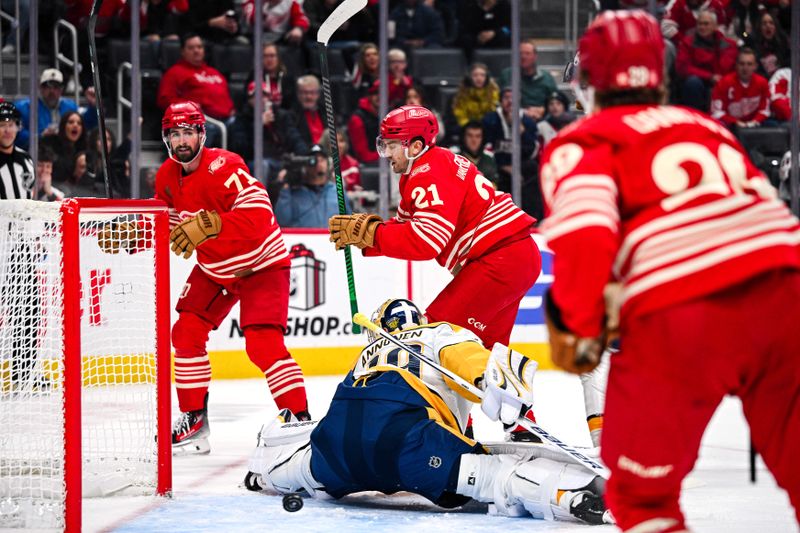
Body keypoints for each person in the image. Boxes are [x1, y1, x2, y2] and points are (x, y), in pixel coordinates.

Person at [541, 10, 800, 532]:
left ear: (588, 81)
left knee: (641, 495)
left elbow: (588, 235)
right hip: (786, 298)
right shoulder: (709, 128)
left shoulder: (581, 143)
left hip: (683, 314)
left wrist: (575, 322)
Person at [245, 298, 610, 526]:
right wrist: (500, 385)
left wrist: (266, 472)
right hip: (409, 446)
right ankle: (571, 495)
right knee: (494, 474)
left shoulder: (366, 355)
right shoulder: (439, 332)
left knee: (303, 465)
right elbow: (472, 361)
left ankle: (265, 475)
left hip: (336, 450)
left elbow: (348, 415)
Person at [99, 101, 310, 454]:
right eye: (174, 134)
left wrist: (212, 224)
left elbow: (260, 217)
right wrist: (135, 235)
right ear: (166, 139)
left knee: (262, 345)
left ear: (201, 133)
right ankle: (194, 421)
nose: (181, 140)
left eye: (187, 132)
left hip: (263, 265)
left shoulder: (225, 165)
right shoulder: (166, 175)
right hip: (215, 270)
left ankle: (299, 420)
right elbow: (166, 224)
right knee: (185, 333)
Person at [330, 104, 540, 353]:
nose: (386, 153)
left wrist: (372, 234)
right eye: (383, 144)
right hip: (513, 257)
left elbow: (427, 240)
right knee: (483, 356)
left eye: (392, 145)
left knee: (434, 342)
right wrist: (365, 239)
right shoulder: (427, 167)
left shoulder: (428, 173)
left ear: (416, 146)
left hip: (498, 261)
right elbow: (406, 227)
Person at [0, 102, 39, 392]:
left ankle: (24, 374)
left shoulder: (25, 160)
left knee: (29, 308)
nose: (7, 129)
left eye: (12, 123)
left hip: (22, 245)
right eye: (2, 124)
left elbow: (29, 199)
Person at [229, 80, 307, 184]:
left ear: (269, 98)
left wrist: (305, 156)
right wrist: (258, 125)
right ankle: (260, 199)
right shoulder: (242, 119)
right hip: (255, 161)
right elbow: (240, 148)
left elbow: (294, 138)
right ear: (249, 99)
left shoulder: (281, 116)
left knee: (305, 162)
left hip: (281, 160)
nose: (260, 99)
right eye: (255, 96)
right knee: (262, 165)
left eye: (264, 95)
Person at [13, 69, 98, 151]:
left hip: (64, 154)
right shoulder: (23, 107)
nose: (52, 91)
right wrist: (40, 136)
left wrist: (93, 106)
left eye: (56, 87)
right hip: (35, 153)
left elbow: (85, 125)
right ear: (41, 88)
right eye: (48, 86)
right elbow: (15, 132)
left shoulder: (71, 106)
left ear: (61, 89)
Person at [675, 10, 737, 112]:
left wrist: (719, 78)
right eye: (700, 24)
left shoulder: (728, 45)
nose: (702, 27)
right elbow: (682, 68)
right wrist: (709, 76)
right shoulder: (687, 42)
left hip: (721, 81)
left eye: (706, 24)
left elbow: (730, 68)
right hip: (699, 82)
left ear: (715, 26)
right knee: (693, 82)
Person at [274, 145, 350, 228]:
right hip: (303, 239)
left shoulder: (338, 191)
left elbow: (349, 222)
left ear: (328, 164)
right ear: (305, 165)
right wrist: (284, 188)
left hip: (333, 239)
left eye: (322, 160)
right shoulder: (292, 192)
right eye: (313, 160)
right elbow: (282, 222)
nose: (318, 163)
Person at [710, 47, 770, 131]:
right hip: (729, 125)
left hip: (754, 124)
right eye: (742, 64)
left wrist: (754, 122)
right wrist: (735, 122)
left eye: (749, 64)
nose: (745, 68)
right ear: (736, 65)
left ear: (755, 66)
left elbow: (765, 110)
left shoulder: (762, 83)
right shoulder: (724, 83)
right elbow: (716, 113)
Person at [498, 40, 557, 122]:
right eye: (520, 53)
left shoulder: (546, 77)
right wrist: (523, 112)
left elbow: (556, 101)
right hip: (513, 119)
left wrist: (544, 109)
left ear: (535, 56)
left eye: (527, 53)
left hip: (541, 119)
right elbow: (498, 102)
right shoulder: (506, 75)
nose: (523, 57)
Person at [452, 63, 500, 129]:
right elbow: (460, 115)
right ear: (469, 77)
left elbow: (493, 114)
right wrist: (469, 126)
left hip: (488, 128)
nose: (479, 78)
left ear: (487, 78)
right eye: (475, 75)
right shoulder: (461, 94)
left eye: (482, 75)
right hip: (466, 128)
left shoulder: (494, 93)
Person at [454, 121, 498, 187]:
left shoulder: (489, 159)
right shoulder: (454, 159)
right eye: (470, 135)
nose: (474, 140)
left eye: (478, 136)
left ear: (483, 138)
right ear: (463, 137)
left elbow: (494, 187)